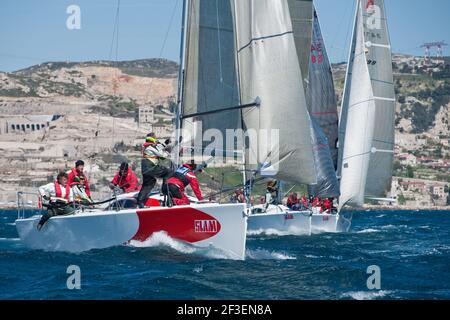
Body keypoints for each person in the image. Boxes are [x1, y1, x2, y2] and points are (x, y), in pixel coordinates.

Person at [136, 133, 174, 208]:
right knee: (168, 171)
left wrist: (166, 143)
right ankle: (164, 191)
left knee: (149, 184)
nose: (156, 139)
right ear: (152, 138)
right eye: (155, 137)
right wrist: (168, 152)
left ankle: (140, 202)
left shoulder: (147, 146)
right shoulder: (150, 147)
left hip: (145, 169)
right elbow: (162, 155)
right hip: (151, 167)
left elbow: (158, 147)